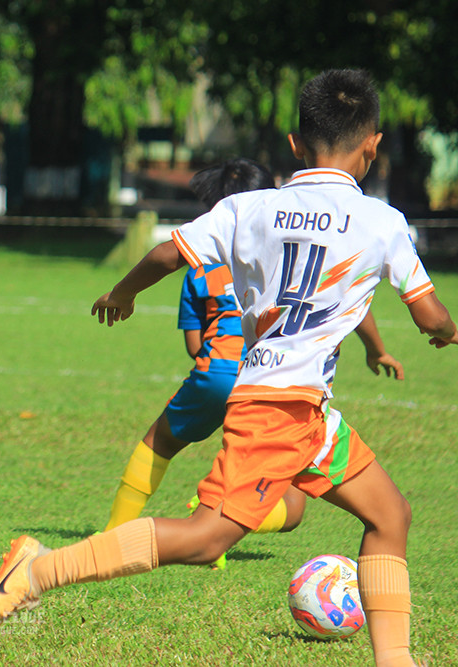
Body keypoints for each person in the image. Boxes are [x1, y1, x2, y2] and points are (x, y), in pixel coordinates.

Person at [0, 69, 457, 667]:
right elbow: (432, 316)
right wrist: (447, 333)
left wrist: (122, 294)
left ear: (295, 145)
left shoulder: (248, 207)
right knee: (208, 540)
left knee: (391, 514)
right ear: (372, 146)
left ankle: (396, 661)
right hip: (278, 407)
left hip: (305, 409)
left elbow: (164, 252)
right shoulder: (383, 223)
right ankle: (35, 571)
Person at [103, 159, 404, 573]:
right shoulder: (292, 249)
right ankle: (212, 521)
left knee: (159, 442)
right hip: (281, 383)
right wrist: (377, 350)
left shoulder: (200, 263)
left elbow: (194, 344)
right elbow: (347, 302)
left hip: (220, 375)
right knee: (293, 504)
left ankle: (113, 535)